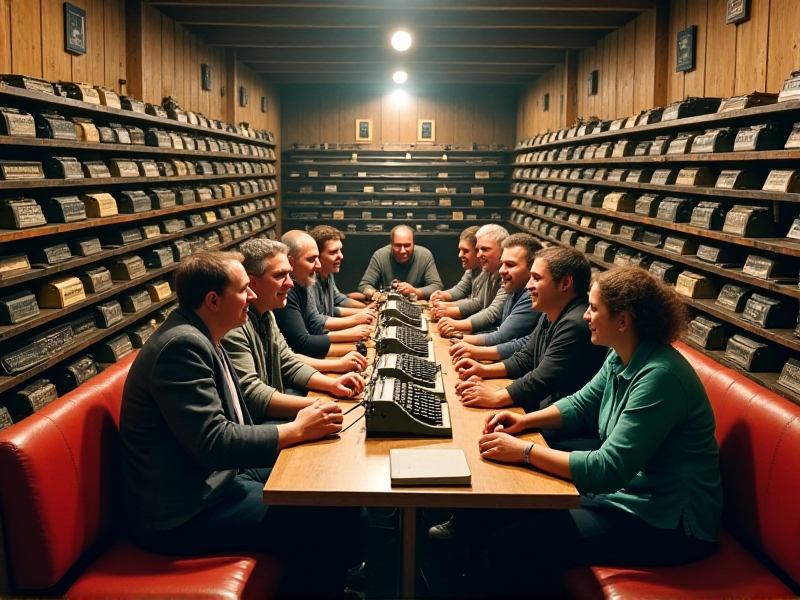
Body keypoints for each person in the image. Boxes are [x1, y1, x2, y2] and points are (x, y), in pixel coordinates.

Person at [471, 266, 722, 598]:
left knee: (511, 545)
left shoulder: (661, 376)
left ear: (623, 319)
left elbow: (607, 469)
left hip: (668, 525)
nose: (586, 315)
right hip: (628, 498)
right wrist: (524, 422)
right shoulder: (621, 356)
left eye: (593, 308)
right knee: (505, 513)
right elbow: (581, 404)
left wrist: (525, 452)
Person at [119, 251, 357, 598]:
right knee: (325, 520)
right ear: (213, 300)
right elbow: (214, 443)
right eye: (244, 288)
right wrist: (297, 429)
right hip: (182, 514)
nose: (252, 295)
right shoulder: (182, 346)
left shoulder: (203, 332)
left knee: (330, 484)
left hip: (215, 483)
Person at [221, 239, 366, 423]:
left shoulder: (266, 314)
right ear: (252, 282)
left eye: (289, 274)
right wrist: (319, 403)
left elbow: (287, 360)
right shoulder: (234, 325)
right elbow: (252, 395)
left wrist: (332, 385)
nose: (290, 283)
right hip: (257, 426)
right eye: (279, 275)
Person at [454, 246, 606, 412]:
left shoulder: (575, 325)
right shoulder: (552, 311)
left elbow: (541, 380)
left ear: (565, 283)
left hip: (563, 427)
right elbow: (526, 358)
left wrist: (497, 396)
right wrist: (483, 370)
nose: (528, 286)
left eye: (536, 278)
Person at [274, 230, 371, 359]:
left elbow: (313, 327)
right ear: (291, 263)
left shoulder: (302, 282)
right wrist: (355, 345)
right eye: (311, 259)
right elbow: (303, 343)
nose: (318, 265)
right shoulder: (286, 291)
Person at [448, 233, 542, 360]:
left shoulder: (531, 296)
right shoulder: (513, 287)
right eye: (502, 263)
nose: (502, 270)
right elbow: (498, 328)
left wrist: (465, 340)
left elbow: (503, 336)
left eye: (510, 265)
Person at [436, 224, 508, 337]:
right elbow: (479, 303)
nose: (479, 255)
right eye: (478, 249)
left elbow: (491, 313)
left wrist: (457, 324)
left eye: (484, 249)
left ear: (503, 250)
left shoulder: (505, 277)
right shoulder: (489, 271)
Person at [305, 226, 377, 329]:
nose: (341, 256)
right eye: (333, 252)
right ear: (317, 255)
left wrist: (367, 310)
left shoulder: (328, 273)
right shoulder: (310, 281)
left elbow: (337, 301)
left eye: (340, 250)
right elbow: (316, 321)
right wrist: (358, 317)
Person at [358, 224, 443, 300]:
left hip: (416, 304)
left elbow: (436, 286)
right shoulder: (380, 256)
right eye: (398, 245)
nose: (402, 251)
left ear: (413, 243)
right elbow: (364, 286)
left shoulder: (425, 255)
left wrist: (415, 292)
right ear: (391, 244)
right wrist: (374, 293)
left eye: (407, 245)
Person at [429, 226, 482, 315]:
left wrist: (447, 307)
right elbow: (461, 289)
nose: (460, 255)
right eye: (460, 250)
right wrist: (443, 295)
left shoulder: (488, 272)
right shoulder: (472, 268)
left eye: (465, 251)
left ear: (478, 251)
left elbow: (477, 303)